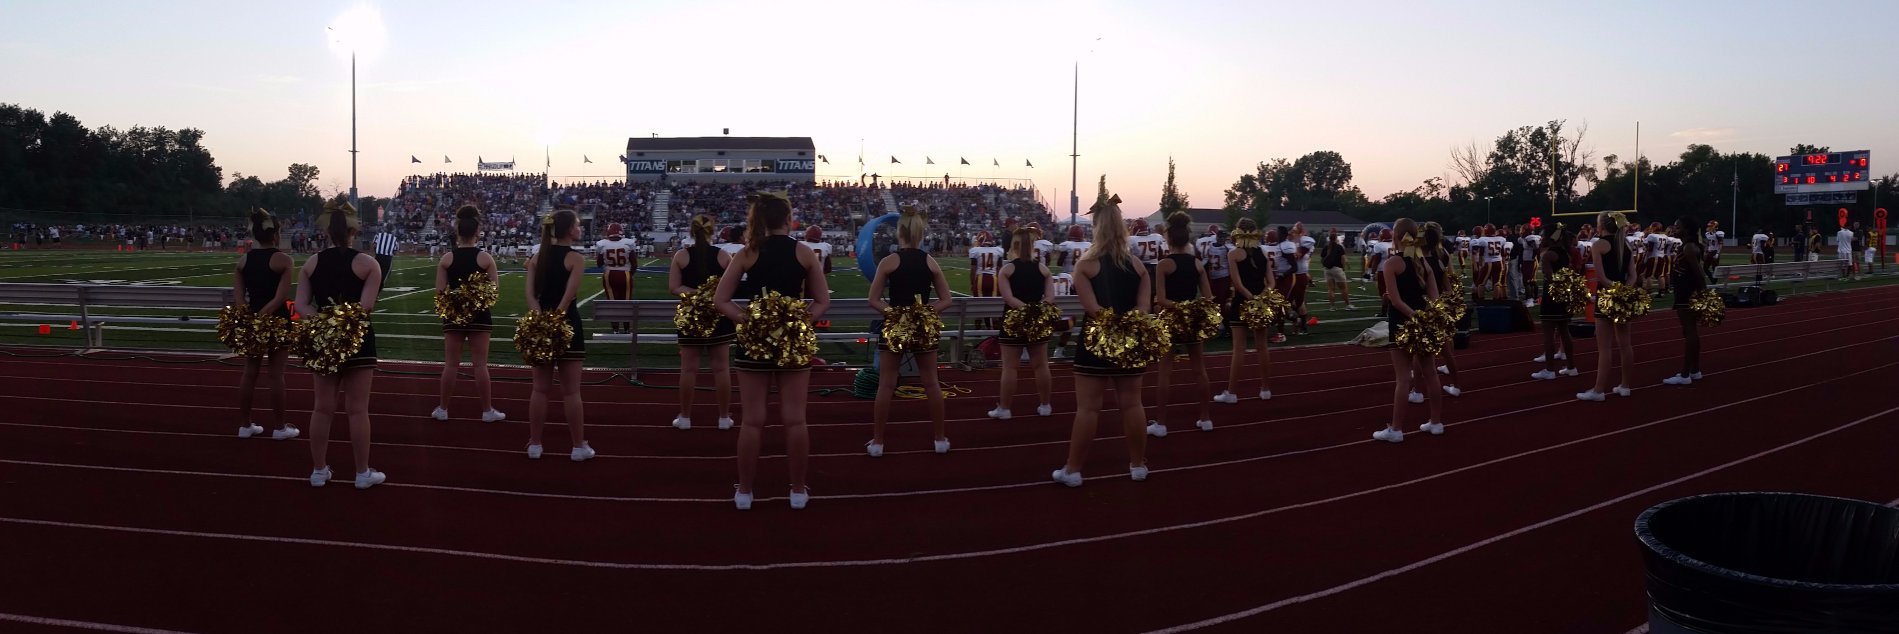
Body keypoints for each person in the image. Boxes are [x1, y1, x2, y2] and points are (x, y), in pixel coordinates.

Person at [714, 192, 830, 510]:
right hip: (792, 344)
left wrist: (749, 321)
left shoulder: (748, 252)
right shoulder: (804, 252)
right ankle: (797, 490)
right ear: (788, 219)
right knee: (795, 420)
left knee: (752, 421)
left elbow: (721, 300)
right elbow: (822, 301)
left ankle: (745, 492)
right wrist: (798, 322)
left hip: (755, 345)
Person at [1052, 194, 1152, 486]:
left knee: (1088, 408)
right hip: (1130, 341)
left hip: (1096, 341)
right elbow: (1144, 309)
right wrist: (1126, 325)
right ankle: (1138, 466)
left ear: (1096, 227)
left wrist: (1111, 325)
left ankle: (1073, 470)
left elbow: (1092, 309)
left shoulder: (1085, 265)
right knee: (1132, 405)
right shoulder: (1139, 266)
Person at [294, 202, 385, 488]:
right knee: (357, 410)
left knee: (322, 408)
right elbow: (366, 307)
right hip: (358, 339)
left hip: (324, 340)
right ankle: (362, 473)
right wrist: (342, 323)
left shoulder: (311, 264)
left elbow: (300, 305)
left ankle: (318, 471)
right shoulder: (369, 264)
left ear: (327, 231)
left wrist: (325, 322)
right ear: (354, 231)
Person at [867, 205, 954, 456]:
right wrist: (924, 313)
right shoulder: (930, 262)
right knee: (931, 383)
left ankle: (878, 442)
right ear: (920, 234)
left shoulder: (889, 261)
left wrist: (896, 314)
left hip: (895, 327)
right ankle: (939, 439)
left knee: (886, 385)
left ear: (900, 233)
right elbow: (946, 299)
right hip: (922, 329)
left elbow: (873, 300)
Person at [524, 209, 595, 462]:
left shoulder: (536, 258)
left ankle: (535, 444)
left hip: (541, 326)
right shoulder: (575, 258)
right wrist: (557, 319)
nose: (580, 228)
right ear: (569, 229)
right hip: (568, 326)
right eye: (578, 224)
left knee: (540, 389)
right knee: (571, 392)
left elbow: (531, 296)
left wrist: (542, 321)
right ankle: (577, 447)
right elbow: (568, 297)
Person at [431, 206, 507, 424]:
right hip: (479, 316)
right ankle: (487, 411)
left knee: (451, 364)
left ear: (458, 232)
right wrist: (474, 303)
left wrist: (457, 306)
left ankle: (443, 409)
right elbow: (494, 291)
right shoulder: (486, 258)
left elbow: (439, 293)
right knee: (480, 365)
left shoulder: (446, 259)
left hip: (453, 316)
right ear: (477, 232)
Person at [1374, 218, 1444, 443]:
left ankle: (1396, 430)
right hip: (1424, 322)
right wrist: (1426, 317)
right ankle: (1436, 423)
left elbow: (1395, 301)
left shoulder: (1392, 263)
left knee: (1403, 379)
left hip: (1402, 324)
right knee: (1431, 373)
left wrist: (1415, 317)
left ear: (1395, 237)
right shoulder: (1423, 262)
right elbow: (1435, 297)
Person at [232, 209, 299, 441]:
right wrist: (265, 315)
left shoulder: (244, 260)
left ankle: (245, 425)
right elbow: (281, 297)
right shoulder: (284, 260)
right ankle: (280, 428)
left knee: (249, 373)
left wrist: (252, 318)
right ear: (275, 234)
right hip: (277, 320)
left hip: (253, 320)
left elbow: (239, 298)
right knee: (276, 375)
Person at [1147, 212, 1215, 437]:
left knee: (1165, 372)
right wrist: (1191, 309)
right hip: (1192, 320)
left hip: (1170, 320)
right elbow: (1208, 298)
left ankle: (1161, 423)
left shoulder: (1164, 264)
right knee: (1199, 370)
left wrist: (1178, 308)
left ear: (1168, 238)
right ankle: (1205, 418)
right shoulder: (1197, 263)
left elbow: (1161, 299)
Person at [669, 215, 736, 431]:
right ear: (712, 231)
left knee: (688, 369)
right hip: (718, 314)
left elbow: (674, 287)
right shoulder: (723, 255)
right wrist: (710, 295)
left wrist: (696, 294)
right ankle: (724, 418)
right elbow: (733, 285)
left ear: (691, 230)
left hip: (691, 316)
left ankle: (685, 417)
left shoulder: (681, 255)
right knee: (722, 368)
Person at [990, 224, 1054, 421]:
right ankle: (1045, 405)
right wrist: (1034, 311)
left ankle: (1005, 409)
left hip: (1013, 321)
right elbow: (1050, 298)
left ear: (1014, 245)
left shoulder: (1007, 269)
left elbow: (1009, 298)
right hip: (1037, 321)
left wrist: (1025, 311)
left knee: (1010, 367)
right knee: (1041, 365)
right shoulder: (1043, 269)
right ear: (1032, 245)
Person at [1578, 212, 1638, 402]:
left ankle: (1598, 391)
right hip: (1623, 297)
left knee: (1604, 348)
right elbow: (1633, 276)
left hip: (1606, 296)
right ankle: (1625, 386)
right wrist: (1624, 291)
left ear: (1601, 226)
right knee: (1625, 344)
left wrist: (1614, 291)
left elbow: (1602, 277)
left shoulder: (1599, 245)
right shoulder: (1626, 244)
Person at [1216, 218, 1274, 404]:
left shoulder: (1234, 254)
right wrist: (1260, 298)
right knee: (1262, 347)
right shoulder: (1262, 253)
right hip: (1261, 303)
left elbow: (1237, 283)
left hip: (1242, 302)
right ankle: (1265, 389)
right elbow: (1271, 283)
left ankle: (1232, 393)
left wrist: (1250, 298)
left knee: (1239, 349)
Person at [1531, 223, 1579, 380]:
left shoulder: (1548, 255)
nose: (1542, 238)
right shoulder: (1566, 252)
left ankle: (1550, 370)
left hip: (1552, 296)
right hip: (1565, 294)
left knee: (1548, 334)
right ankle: (1571, 367)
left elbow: (1550, 278)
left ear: (1551, 237)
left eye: (1543, 235)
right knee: (1565, 331)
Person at [1665, 216, 1709, 386]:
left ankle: (1684, 374)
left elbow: (1699, 273)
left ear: (1687, 230)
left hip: (1687, 292)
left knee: (1689, 331)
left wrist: (1703, 293)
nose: (1674, 229)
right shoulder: (1688, 245)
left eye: (1678, 227)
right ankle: (1695, 370)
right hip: (1686, 291)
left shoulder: (1689, 247)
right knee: (1690, 331)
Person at [1421, 222, 1462, 398]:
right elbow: (1449, 285)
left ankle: (1417, 391)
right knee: (1446, 349)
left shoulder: (1418, 261)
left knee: (1419, 352)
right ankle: (1456, 385)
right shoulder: (1440, 257)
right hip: (1440, 306)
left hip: (1423, 307)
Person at [595, 223, 636, 334]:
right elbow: (634, 263)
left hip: (609, 275)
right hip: (625, 275)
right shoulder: (628, 243)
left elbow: (599, 264)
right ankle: (627, 329)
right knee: (626, 302)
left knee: (612, 302)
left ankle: (615, 329)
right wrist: (630, 274)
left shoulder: (602, 244)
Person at [1320, 228, 1352, 310]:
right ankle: (1348, 305)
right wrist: (1344, 267)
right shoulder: (1339, 247)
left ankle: (1332, 306)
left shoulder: (1326, 247)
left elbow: (1322, 259)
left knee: (1330, 289)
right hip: (1337, 268)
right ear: (1336, 238)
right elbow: (1343, 259)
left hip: (1327, 269)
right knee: (1343, 288)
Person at [968, 230, 1005, 298]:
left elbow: (973, 269)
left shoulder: (975, 251)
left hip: (980, 279)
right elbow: (999, 270)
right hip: (993, 279)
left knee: (979, 302)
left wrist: (972, 283)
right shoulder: (998, 250)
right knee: (994, 302)